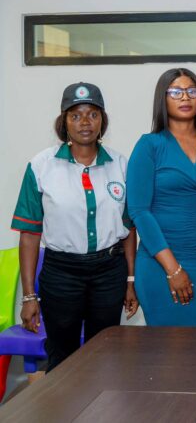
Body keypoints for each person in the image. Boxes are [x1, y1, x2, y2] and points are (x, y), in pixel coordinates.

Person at [11, 82, 137, 371]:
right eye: (76, 115)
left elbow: (129, 228)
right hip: (61, 274)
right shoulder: (41, 166)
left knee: (106, 355)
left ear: (102, 120)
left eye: (93, 114)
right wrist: (29, 297)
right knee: (62, 357)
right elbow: (30, 234)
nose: (84, 122)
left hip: (109, 272)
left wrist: (130, 281)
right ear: (64, 121)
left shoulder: (120, 164)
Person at [127, 69, 196, 326]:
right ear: (163, 98)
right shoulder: (149, 145)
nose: (185, 97)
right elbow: (138, 211)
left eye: (192, 91)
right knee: (168, 355)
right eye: (176, 92)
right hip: (161, 264)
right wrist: (173, 269)